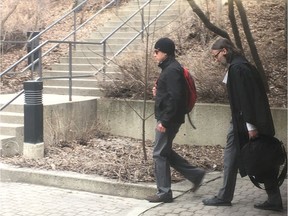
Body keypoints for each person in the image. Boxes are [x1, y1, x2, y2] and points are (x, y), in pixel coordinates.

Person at [202, 37, 283, 212]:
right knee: (260, 158)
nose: (215, 60)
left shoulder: (237, 69)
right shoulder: (243, 66)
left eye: (216, 56)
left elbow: (244, 99)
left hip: (244, 123)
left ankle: (225, 196)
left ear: (224, 51)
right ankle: (272, 199)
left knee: (252, 158)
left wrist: (250, 126)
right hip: (246, 121)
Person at [146, 37, 206, 203]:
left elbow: (176, 97)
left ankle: (164, 192)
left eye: (156, 51)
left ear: (165, 52)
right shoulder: (170, 68)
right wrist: (158, 93)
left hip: (169, 119)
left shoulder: (172, 70)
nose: (154, 54)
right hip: (170, 117)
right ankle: (195, 174)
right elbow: (170, 94)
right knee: (164, 152)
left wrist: (164, 121)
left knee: (159, 154)